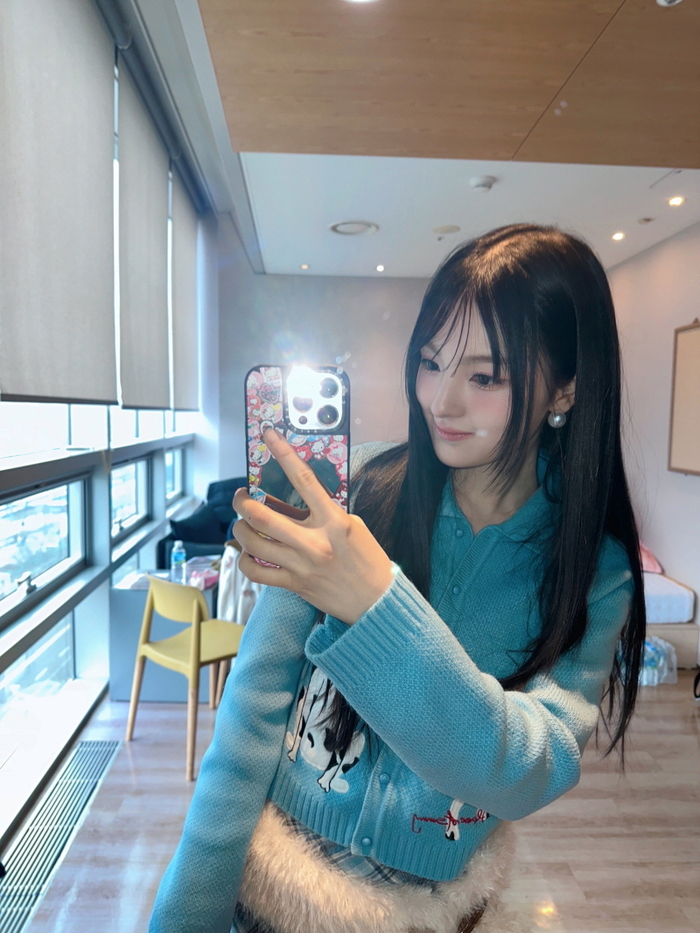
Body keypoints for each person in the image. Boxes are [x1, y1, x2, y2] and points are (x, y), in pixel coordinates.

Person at [149, 224, 646, 933]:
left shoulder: (594, 569)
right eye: (431, 362)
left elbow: (531, 769)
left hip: (439, 913)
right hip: (272, 892)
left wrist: (374, 602)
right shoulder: (356, 492)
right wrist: (186, 912)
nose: (441, 401)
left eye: (485, 377)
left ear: (564, 387)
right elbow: (251, 710)